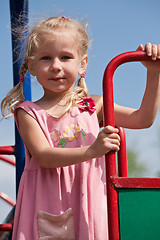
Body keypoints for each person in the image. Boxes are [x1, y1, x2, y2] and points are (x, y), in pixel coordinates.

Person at [1, 16, 160, 240]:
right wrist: (93, 151)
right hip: (47, 203)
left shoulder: (94, 106)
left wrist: (154, 73)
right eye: (46, 58)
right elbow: (44, 156)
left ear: (82, 63)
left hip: (89, 200)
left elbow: (143, 119)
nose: (56, 65)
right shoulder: (28, 112)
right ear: (33, 66)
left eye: (65, 57)